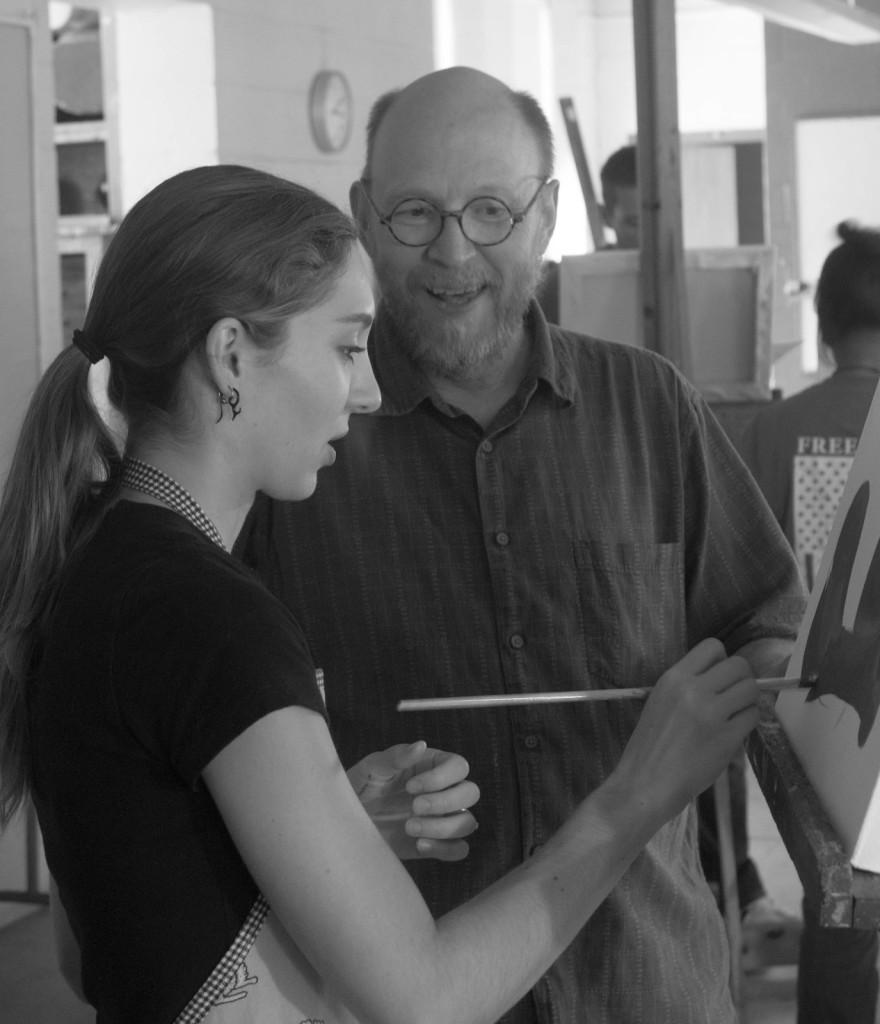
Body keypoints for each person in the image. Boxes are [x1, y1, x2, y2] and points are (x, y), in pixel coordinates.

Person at [0, 163, 763, 1024]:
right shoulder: (212, 616)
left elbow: (100, 946)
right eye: (346, 346)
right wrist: (638, 798)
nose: (365, 394)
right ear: (230, 356)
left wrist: (334, 830)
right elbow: (425, 998)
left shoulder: (102, 556)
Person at [235, 67, 806, 1023]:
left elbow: (769, 629)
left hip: (649, 982)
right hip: (393, 994)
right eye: (416, 212)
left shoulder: (650, 407)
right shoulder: (299, 442)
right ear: (365, 217)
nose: (454, 251)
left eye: (492, 210)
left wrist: (754, 689)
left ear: (545, 218)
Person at [598, 138, 802, 954]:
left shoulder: (677, 362)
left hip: (687, 558)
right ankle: (743, 894)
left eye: (641, 216)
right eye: (619, 219)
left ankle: (743, 893)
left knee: (713, 705)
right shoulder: (579, 288)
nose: (630, 234)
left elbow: (763, 614)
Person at [740, 220, 880, 1024]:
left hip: (816, 700)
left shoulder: (773, 427)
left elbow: (745, 575)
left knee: (845, 889)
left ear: (821, 325)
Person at [599, 143, 640, 249]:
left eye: (656, 222)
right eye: (634, 223)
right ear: (606, 217)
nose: (649, 236)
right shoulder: (588, 265)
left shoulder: (682, 263)